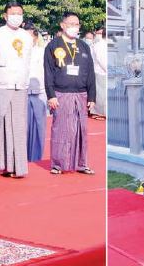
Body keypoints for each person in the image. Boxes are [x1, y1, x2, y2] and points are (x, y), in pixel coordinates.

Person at [0, 2, 33, 179]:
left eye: (19, 13)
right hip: (1, 83)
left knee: (18, 126)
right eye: (13, 13)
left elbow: (28, 60)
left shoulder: (26, 36)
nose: (16, 17)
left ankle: (16, 167)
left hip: (20, 85)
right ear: (5, 16)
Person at [44, 12, 97, 175]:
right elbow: (48, 72)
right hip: (61, 93)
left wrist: (92, 96)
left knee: (81, 130)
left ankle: (81, 163)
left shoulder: (84, 46)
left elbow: (90, 72)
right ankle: (58, 164)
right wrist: (51, 95)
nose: (74, 27)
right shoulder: (53, 45)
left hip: (81, 94)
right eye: (71, 23)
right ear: (63, 25)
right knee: (61, 129)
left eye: (77, 24)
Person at [25, 24, 47, 162]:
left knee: (39, 124)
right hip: (23, 91)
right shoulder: (18, 51)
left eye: (30, 36)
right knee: (24, 125)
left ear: (35, 37)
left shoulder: (42, 51)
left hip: (40, 91)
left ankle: (36, 155)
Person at [91, 27, 108, 120]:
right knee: (100, 94)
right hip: (100, 71)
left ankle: (103, 112)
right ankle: (98, 113)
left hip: (104, 72)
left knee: (103, 94)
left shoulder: (104, 44)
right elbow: (101, 60)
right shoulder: (100, 45)